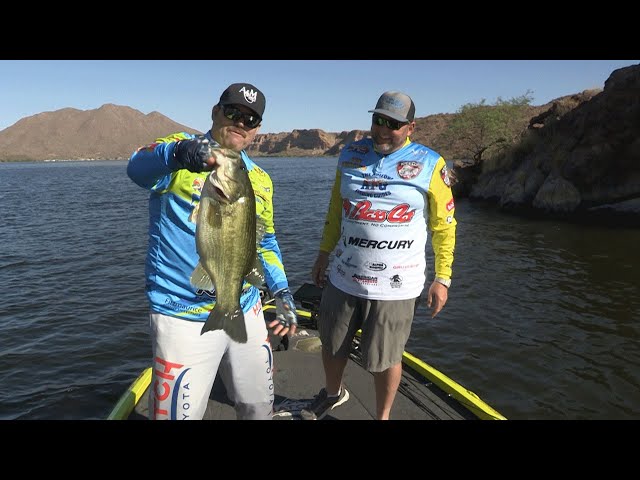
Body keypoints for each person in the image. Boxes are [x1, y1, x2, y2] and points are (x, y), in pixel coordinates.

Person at [127, 82, 298, 420]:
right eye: (233, 112)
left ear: (257, 130)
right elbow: (136, 168)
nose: (241, 122)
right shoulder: (177, 151)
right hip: (182, 316)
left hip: (245, 307)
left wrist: (281, 291)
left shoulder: (260, 179)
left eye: (250, 119)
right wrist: (178, 155)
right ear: (215, 111)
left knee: (259, 407)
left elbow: (265, 242)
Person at [300, 91, 456, 420]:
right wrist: (323, 253)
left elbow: (444, 226)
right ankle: (332, 393)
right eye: (378, 120)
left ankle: (382, 416)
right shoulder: (350, 155)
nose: (383, 129)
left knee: (384, 357)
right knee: (331, 342)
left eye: (394, 124)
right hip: (343, 275)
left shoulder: (431, 163)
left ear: (410, 127)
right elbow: (335, 210)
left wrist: (443, 278)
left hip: (395, 285)